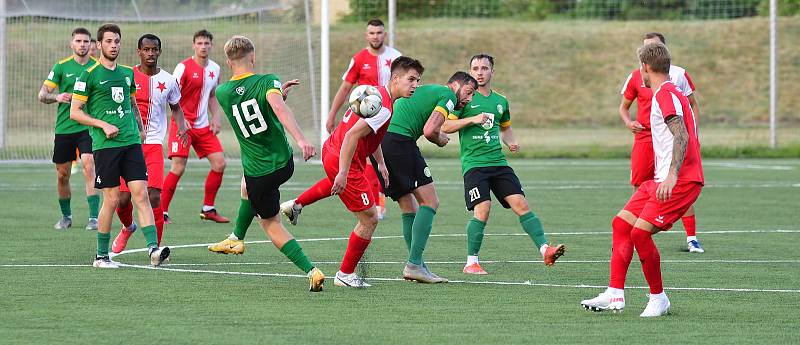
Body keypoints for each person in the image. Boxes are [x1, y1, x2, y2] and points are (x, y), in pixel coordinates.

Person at [274, 57, 423, 288]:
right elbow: (354, 135)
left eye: (418, 81)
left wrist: (380, 163)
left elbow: (371, 136)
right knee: (370, 218)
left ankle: (296, 205)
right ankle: (345, 274)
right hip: (345, 158)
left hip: (332, 149)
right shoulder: (382, 107)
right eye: (411, 79)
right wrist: (343, 171)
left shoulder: (375, 95)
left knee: (337, 184)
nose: (415, 85)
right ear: (395, 78)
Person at [581, 42, 704, 317]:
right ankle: (614, 294)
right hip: (661, 178)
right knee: (621, 225)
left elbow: (681, 134)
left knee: (639, 233)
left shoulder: (665, 94)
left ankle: (658, 298)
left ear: (645, 68)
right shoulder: (668, 92)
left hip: (681, 180)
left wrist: (672, 174)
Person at [212, 35, 325, 291]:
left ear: (229, 63)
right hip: (283, 164)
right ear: (253, 57)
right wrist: (300, 140)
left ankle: (312, 270)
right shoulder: (268, 81)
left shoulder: (222, 92)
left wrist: (275, 100)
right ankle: (236, 238)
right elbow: (277, 108)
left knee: (271, 224)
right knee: (246, 186)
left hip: (259, 172)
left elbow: (258, 105)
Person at [442, 54, 565, 275]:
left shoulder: (500, 101)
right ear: (470, 72)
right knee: (483, 208)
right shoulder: (464, 99)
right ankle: (471, 262)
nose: (479, 72)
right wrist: (472, 119)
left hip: (499, 163)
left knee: (521, 204)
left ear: (492, 71)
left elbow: (505, 127)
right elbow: (446, 127)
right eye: (475, 68)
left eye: (484, 68)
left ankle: (545, 250)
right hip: (474, 164)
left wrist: (511, 142)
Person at [70, 23, 170, 268]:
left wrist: (140, 128)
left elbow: (132, 103)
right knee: (113, 199)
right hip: (106, 146)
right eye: (108, 41)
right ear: (99, 44)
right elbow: (75, 112)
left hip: (131, 143)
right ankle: (101, 256)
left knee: (142, 195)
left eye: (116, 41)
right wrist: (102, 124)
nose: (113, 45)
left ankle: (153, 250)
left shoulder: (127, 74)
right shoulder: (89, 74)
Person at [384, 71, 476, 283]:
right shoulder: (448, 95)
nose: (469, 99)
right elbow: (429, 130)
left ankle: (417, 264)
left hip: (384, 143)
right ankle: (414, 265)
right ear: (455, 85)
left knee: (409, 207)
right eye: (468, 92)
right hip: (400, 142)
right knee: (430, 201)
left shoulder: (430, 91)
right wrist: (440, 139)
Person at [619, 32, 704, 253]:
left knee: (673, 184)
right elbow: (624, 107)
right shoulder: (636, 78)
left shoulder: (675, 79)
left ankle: (691, 237)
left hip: (673, 142)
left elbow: (688, 115)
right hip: (645, 139)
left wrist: (694, 134)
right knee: (641, 188)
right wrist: (629, 123)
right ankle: (617, 288)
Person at [111, 34, 188, 253]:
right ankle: (127, 227)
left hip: (153, 144)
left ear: (159, 51)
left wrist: (182, 126)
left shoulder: (169, 80)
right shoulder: (127, 76)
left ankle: (155, 250)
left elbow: (176, 107)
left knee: (153, 195)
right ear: (139, 52)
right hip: (128, 143)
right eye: (146, 49)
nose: (150, 53)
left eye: (154, 49)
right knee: (123, 199)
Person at [320, 19, 401, 219]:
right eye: (372, 33)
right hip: (364, 116)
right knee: (363, 157)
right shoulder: (359, 59)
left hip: (390, 114)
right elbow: (346, 88)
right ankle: (376, 204)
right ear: (366, 35)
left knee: (380, 159)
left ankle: (378, 202)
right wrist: (331, 114)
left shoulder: (396, 57)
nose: (376, 36)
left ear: (385, 34)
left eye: (379, 32)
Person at [161, 29, 229, 223]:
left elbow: (213, 95)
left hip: (203, 127)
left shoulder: (215, 69)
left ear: (211, 45)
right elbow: (170, 95)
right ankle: (161, 212)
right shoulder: (182, 68)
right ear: (193, 45)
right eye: (199, 43)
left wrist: (216, 117)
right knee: (178, 167)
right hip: (182, 126)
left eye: (206, 43)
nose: (203, 47)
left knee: (220, 163)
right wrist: (182, 120)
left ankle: (208, 209)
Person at [38, 27, 100, 231]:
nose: (82, 45)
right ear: (71, 44)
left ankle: (93, 218)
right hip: (65, 128)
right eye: (79, 41)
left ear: (91, 44)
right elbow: (42, 94)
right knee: (62, 174)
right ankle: (66, 216)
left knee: (89, 166)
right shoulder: (61, 67)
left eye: (86, 41)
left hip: (87, 127)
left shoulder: (97, 67)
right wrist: (57, 97)